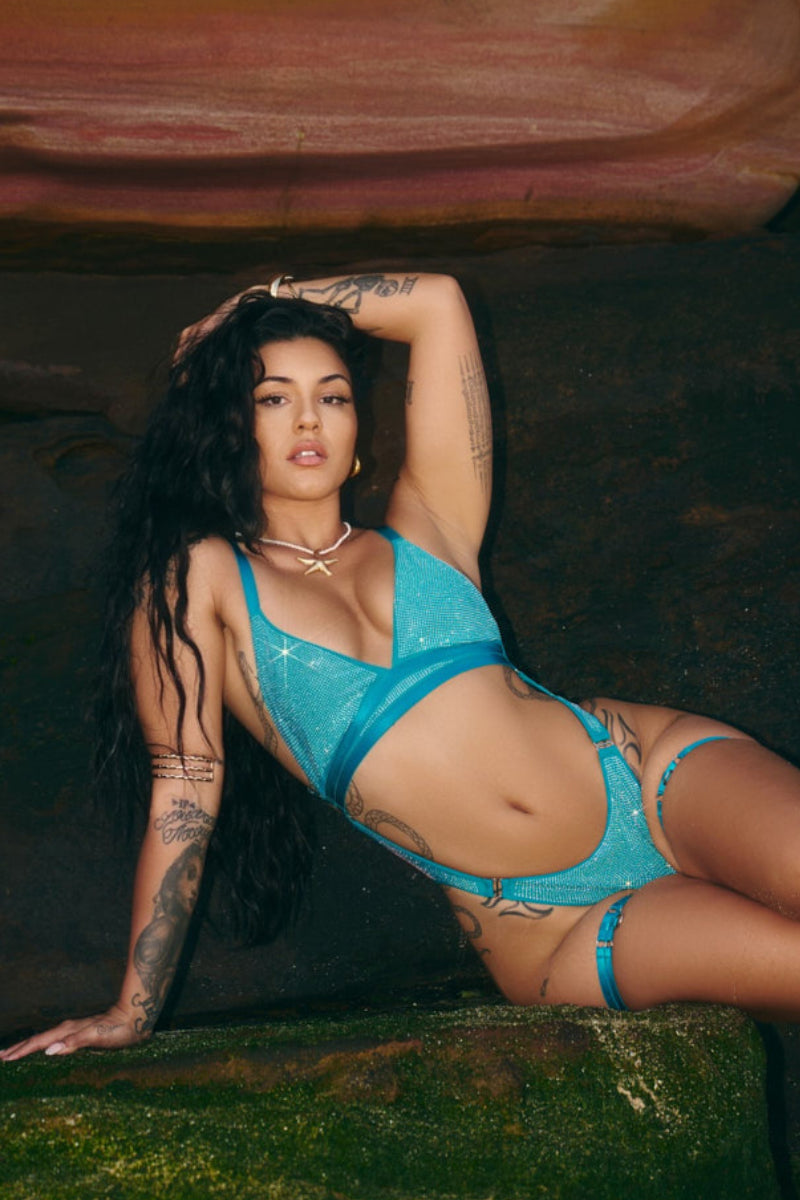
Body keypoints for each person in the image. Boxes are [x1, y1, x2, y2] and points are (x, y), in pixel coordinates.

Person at [4, 269, 800, 1064]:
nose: (309, 418)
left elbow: (435, 303)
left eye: (334, 395)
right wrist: (134, 1009)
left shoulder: (431, 524)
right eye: (273, 398)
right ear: (227, 422)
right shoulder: (200, 578)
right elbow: (185, 789)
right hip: (553, 922)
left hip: (648, 771)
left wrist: (261, 300)